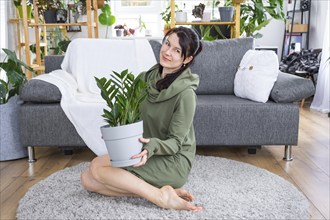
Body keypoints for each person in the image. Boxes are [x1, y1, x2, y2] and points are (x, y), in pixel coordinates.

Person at [81, 26, 203, 211]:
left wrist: (152, 146)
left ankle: (160, 197)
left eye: (176, 50)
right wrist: (117, 133)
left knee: (97, 167)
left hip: (172, 159)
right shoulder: (144, 79)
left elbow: (176, 143)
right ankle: (160, 192)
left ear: (187, 59)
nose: (167, 52)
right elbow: (128, 115)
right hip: (142, 150)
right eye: (167, 43)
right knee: (87, 180)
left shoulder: (186, 94)